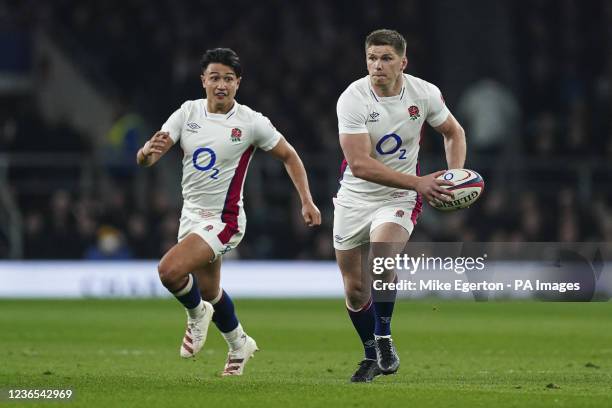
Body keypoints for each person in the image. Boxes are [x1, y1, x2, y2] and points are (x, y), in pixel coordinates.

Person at [136, 48, 321, 376]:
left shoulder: (251, 122)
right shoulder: (187, 113)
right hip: (191, 216)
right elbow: (152, 156)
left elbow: (290, 156)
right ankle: (239, 343)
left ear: (238, 83)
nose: (221, 84)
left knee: (169, 272)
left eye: (228, 79)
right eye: (215, 77)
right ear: (203, 80)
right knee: (209, 291)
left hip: (224, 219)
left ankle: (196, 317)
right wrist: (144, 153)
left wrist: (306, 200)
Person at [334, 29, 466, 382]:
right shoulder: (353, 98)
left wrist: (454, 178)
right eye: (372, 58)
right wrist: (419, 182)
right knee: (354, 289)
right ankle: (370, 354)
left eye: (386, 58)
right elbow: (360, 164)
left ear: (402, 62)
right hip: (355, 196)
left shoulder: (424, 93)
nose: (377, 65)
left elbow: (453, 132)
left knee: (382, 261)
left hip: (399, 197)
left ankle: (383, 337)